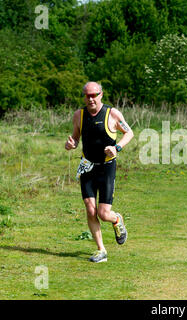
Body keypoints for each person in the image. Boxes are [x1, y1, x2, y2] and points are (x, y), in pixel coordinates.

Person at [65, 82, 134, 263]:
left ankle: (116, 219)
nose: (91, 99)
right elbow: (75, 137)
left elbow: (129, 133)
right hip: (87, 165)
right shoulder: (78, 115)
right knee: (90, 209)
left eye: (94, 95)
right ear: (84, 97)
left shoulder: (112, 114)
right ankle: (101, 250)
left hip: (106, 167)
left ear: (101, 95)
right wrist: (71, 144)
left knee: (103, 214)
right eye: (87, 95)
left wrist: (117, 147)